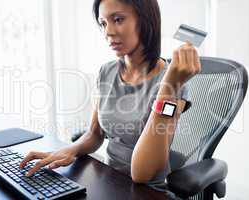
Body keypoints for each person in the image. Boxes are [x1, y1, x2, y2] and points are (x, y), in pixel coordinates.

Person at [20, 0, 201, 192]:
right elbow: (94, 133)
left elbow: (142, 174)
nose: (108, 32)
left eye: (118, 19)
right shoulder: (106, 71)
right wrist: (67, 151)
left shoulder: (173, 84)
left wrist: (170, 86)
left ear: (146, 21)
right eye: (103, 23)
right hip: (107, 180)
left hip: (146, 192)